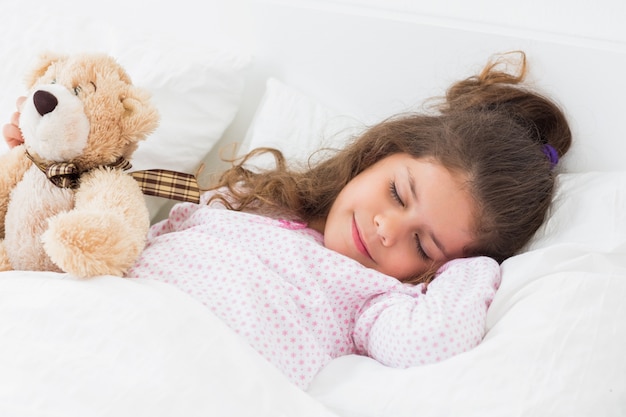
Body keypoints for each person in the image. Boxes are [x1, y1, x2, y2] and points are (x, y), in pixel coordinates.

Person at [3, 51, 572, 389]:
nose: (387, 230)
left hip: (184, 373)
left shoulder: (376, 298)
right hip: (101, 320)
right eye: (397, 194)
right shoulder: (246, 200)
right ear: (379, 154)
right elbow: (129, 238)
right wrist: (45, 165)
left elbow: (430, 342)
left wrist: (476, 269)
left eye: (424, 245)